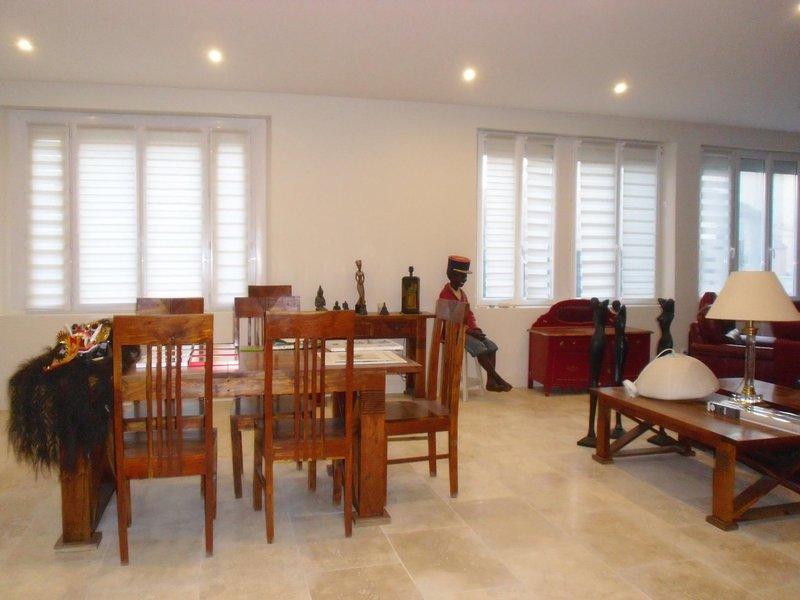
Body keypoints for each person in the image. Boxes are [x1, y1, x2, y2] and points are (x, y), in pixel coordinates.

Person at [438, 255, 512, 392]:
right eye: (461, 276)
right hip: (452, 334)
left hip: (466, 331)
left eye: (465, 276)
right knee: (479, 347)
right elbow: (450, 320)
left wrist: (475, 329)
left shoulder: (462, 293)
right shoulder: (445, 294)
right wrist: (469, 331)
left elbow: (469, 314)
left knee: (491, 346)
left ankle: (491, 382)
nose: (464, 279)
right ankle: (497, 377)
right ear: (451, 275)